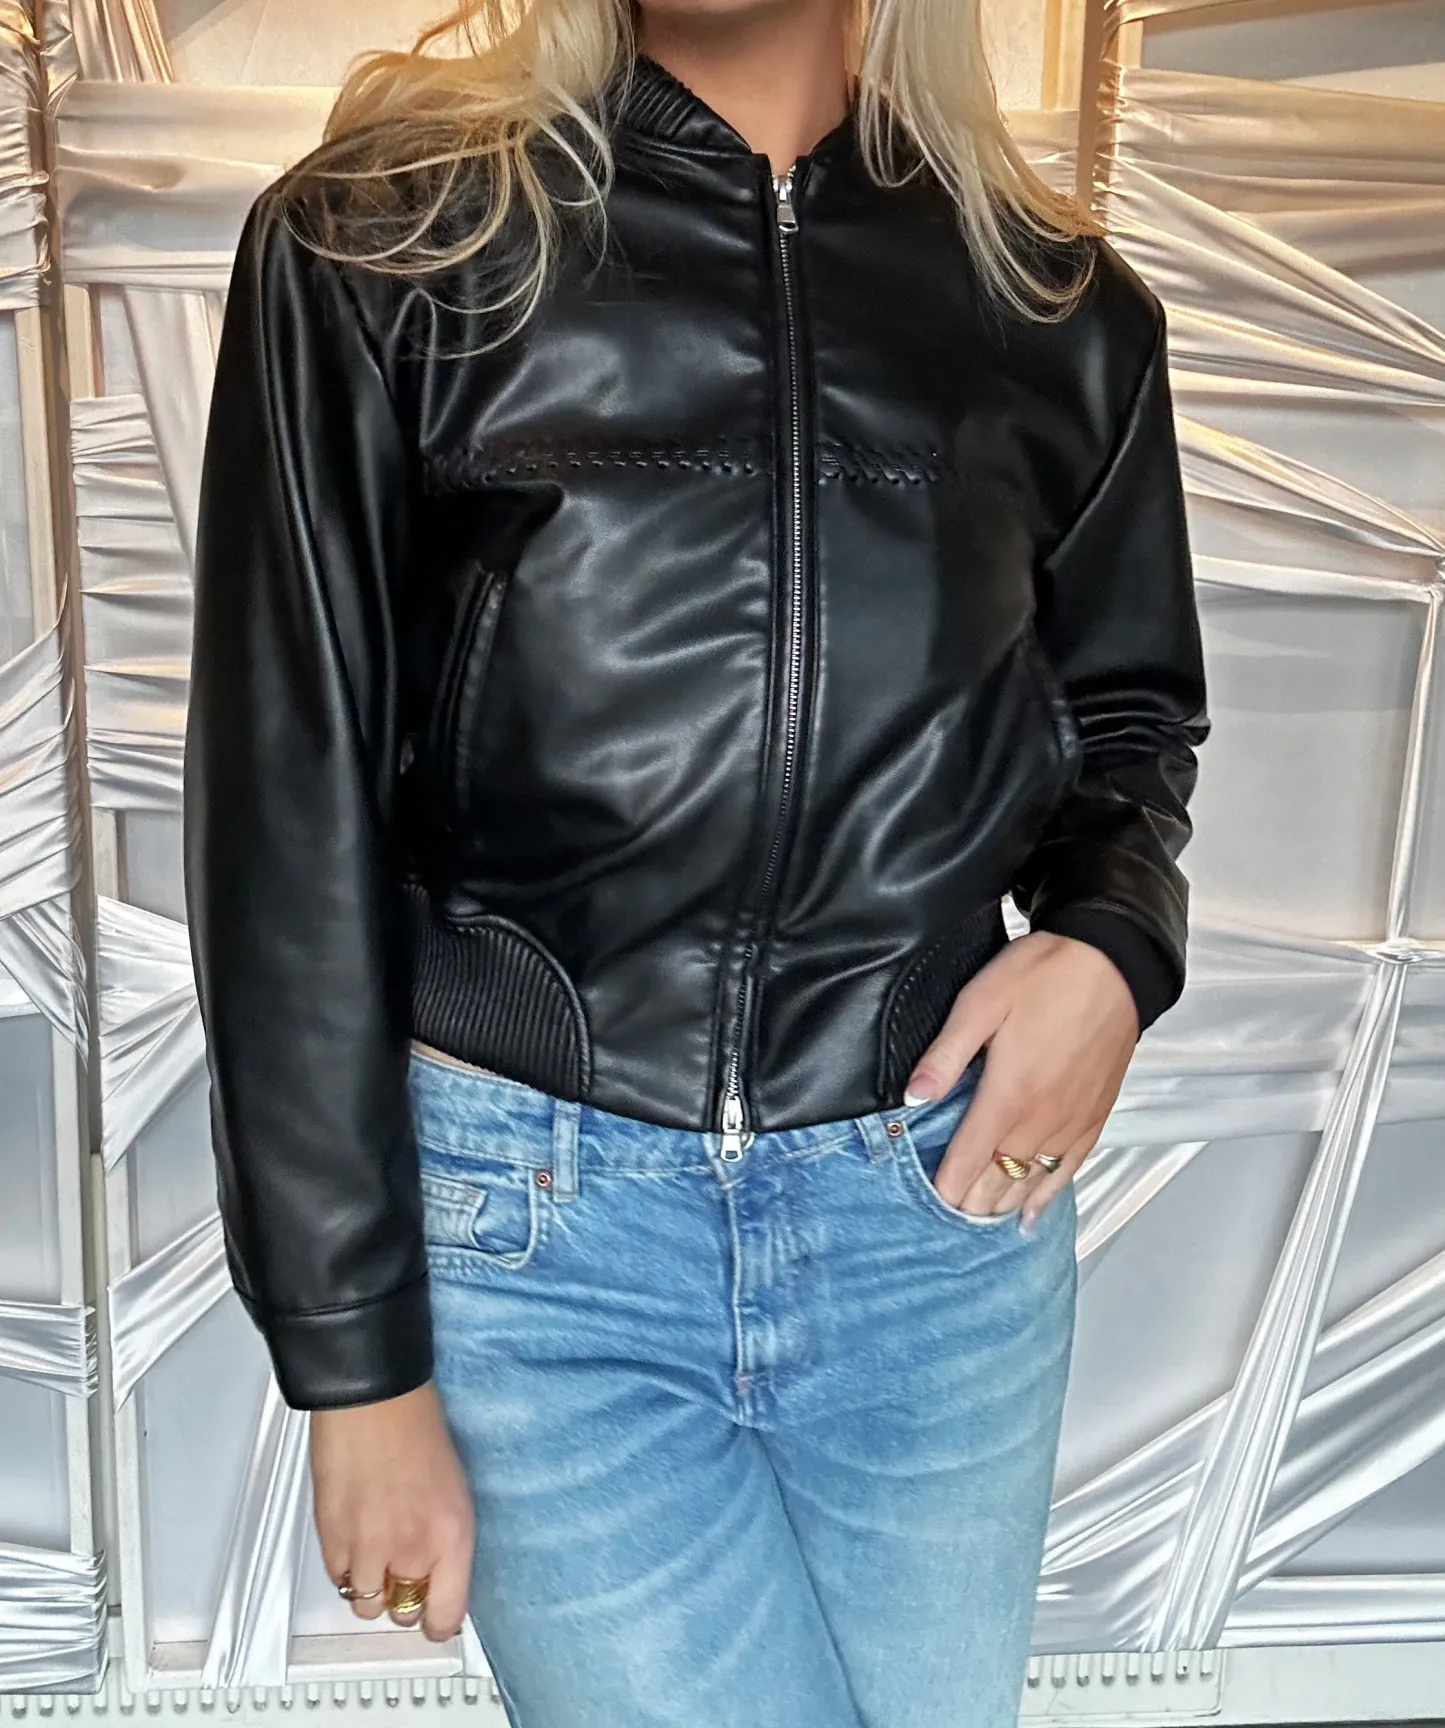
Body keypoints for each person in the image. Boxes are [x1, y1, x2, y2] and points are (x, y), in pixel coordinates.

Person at [181, 0, 1210, 1722]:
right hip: (539, 1240)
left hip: (935, 1224)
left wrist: (1113, 943)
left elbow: (1128, 720)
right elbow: (288, 811)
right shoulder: (391, 246)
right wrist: (354, 1365)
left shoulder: (1055, 308)